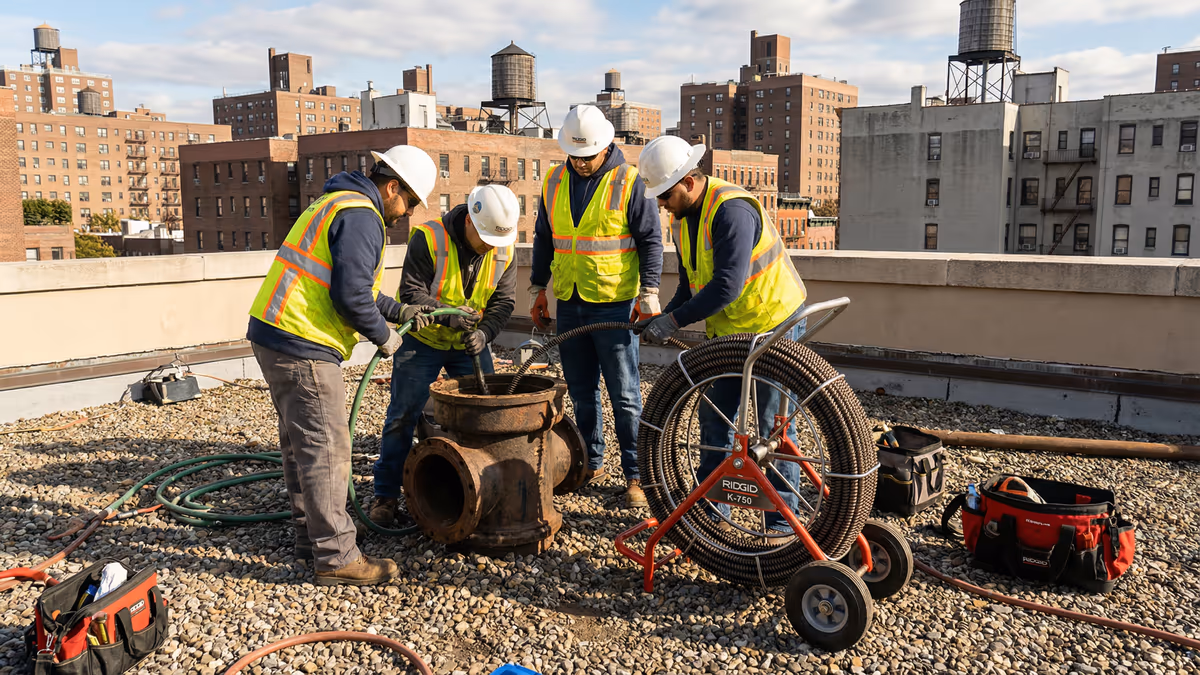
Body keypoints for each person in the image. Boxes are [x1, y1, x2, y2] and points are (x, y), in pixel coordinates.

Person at [247, 144, 437, 585]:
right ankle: (336, 557)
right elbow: (350, 296)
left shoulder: (337, 201)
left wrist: (398, 311)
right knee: (328, 449)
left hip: (275, 331)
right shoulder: (362, 217)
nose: (406, 212)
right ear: (392, 188)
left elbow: (355, 287)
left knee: (301, 444)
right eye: (409, 202)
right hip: (303, 340)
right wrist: (384, 337)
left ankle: (308, 537)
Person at [635, 135, 808, 533]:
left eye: (665, 195)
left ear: (689, 182)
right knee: (715, 422)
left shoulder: (731, 211)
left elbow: (728, 286)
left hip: (773, 324)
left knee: (772, 430)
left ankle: (782, 526)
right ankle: (713, 517)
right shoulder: (684, 220)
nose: (661, 205)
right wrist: (665, 314)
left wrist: (674, 323)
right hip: (731, 335)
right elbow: (692, 285)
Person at [529, 105, 663, 508]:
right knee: (582, 392)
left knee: (625, 395)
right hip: (570, 299)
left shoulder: (630, 180)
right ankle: (591, 461)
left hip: (614, 304)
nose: (582, 163)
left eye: (588, 156)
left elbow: (650, 241)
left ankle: (637, 475)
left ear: (606, 146)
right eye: (575, 155)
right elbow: (543, 236)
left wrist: (649, 293)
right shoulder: (554, 180)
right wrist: (539, 288)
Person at [372, 185, 520, 527]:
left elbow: (503, 303)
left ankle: (482, 488)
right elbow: (412, 291)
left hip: (469, 343)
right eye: (484, 239)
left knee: (486, 413)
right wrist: (449, 314)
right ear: (469, 219)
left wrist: (485, 334)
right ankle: (386, 495)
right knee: (401, 417)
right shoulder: (429, 238)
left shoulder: (503, 248)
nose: (489, 248)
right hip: (423, 339)